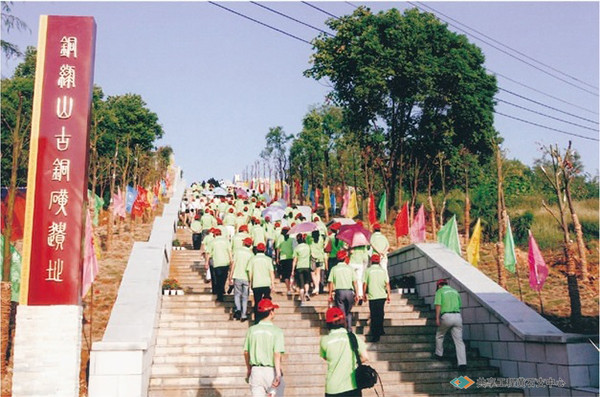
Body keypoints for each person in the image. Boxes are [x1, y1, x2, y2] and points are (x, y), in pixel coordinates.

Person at [320, 307, 369, 397]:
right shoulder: (352, 337)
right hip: (351, 385)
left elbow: (325, 357)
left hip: (332, 388)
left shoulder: (324, 340)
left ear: (328, 323)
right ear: (344, 321)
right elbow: (365, 357)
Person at [244, 298, 285, 397]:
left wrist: (249, 369)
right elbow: (277, 353)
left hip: (256, 371)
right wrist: (278, 373)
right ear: (271, 312)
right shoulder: (277, 331)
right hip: (271, 371)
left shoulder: (251, 330)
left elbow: (246, 352)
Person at [434, 278, 467, 373]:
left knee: (440, 335)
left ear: (439, 285)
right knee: (459, 341)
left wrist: (437, 318)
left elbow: (438, 305)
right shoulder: (455, 291)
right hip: (457, 316)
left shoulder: (440, 291)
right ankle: (462, 363)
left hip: (446, 316)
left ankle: (439, 354)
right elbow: (459, 304)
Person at [362, 254, 391, 342]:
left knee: (374, 315)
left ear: (371, 261)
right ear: (378, 261)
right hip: (382, 295)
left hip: (372, 296)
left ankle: (375, 334)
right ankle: (381, 329)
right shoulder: (383, 271)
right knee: (381, 313)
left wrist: (363, 294)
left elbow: (365, 284)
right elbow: (387, 283)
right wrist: (389, 294)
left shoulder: (368, 271)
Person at [327, 250, 358, 331]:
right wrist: (357, 294)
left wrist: (330, 294)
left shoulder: (334, 269)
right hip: (349, 292)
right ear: (345, 258)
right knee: (348, 311)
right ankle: (349, 329)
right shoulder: (350, 268)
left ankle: (344, 329)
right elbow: (355, 282)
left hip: (339, 292)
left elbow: (330, 282)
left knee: (341, 312)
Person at [247, 243, 276, 319]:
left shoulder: (252, 259)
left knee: (257, 302)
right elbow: (271, 272)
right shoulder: (268, 259)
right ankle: (267, 317)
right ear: (265, 250)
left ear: (256, 250)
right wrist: (272, 283)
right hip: (266, 283)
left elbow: (250, 272)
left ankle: (257, 319)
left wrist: (250, 282)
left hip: (256, 283)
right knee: (267, 301)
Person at [229, 237, 254, 322]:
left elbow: (233, 264)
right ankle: (243, 314)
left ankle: (238, 309)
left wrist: (231, 275)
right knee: (245, 297)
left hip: (237, 275)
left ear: (244, 243)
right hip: (246, 277)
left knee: (237, 294)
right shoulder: (251, 254)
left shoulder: (237, 251)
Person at [208, 228, 232, 302]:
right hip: (225, 263)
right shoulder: (226, 241)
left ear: (214, 234)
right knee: (223, 279)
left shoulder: (212, 242)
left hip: (217, 263)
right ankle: (222, 291)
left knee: (218, 280)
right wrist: (231, 261)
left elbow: (209, 253)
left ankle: (220, 295)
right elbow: (229, 251)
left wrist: (206, 262)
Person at [291, 234, 312, 305]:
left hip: (299, 267)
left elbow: (295, 260)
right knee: (307, 282)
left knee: (301, 285)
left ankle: (303, 301)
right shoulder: (308, 247)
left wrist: (293, 270)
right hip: (307, 267)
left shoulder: (297, 248)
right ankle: (306, 292)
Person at [276, 226, 295, 296]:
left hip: (283, 258)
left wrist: (277, 258)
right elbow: (294, 248)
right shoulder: (292, 240)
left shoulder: (280, 239)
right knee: (290, 273)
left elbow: (278, 249)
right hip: (290, 258)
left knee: (286, 275)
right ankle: (291, 286)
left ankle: (288, 289)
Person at [309, 230, 326, 295]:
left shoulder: (310, 240)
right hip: (320, 257)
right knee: (318, 273)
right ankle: (317, 287)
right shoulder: (321, 239)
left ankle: (316, 286)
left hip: (313, 257)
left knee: (313, 273)